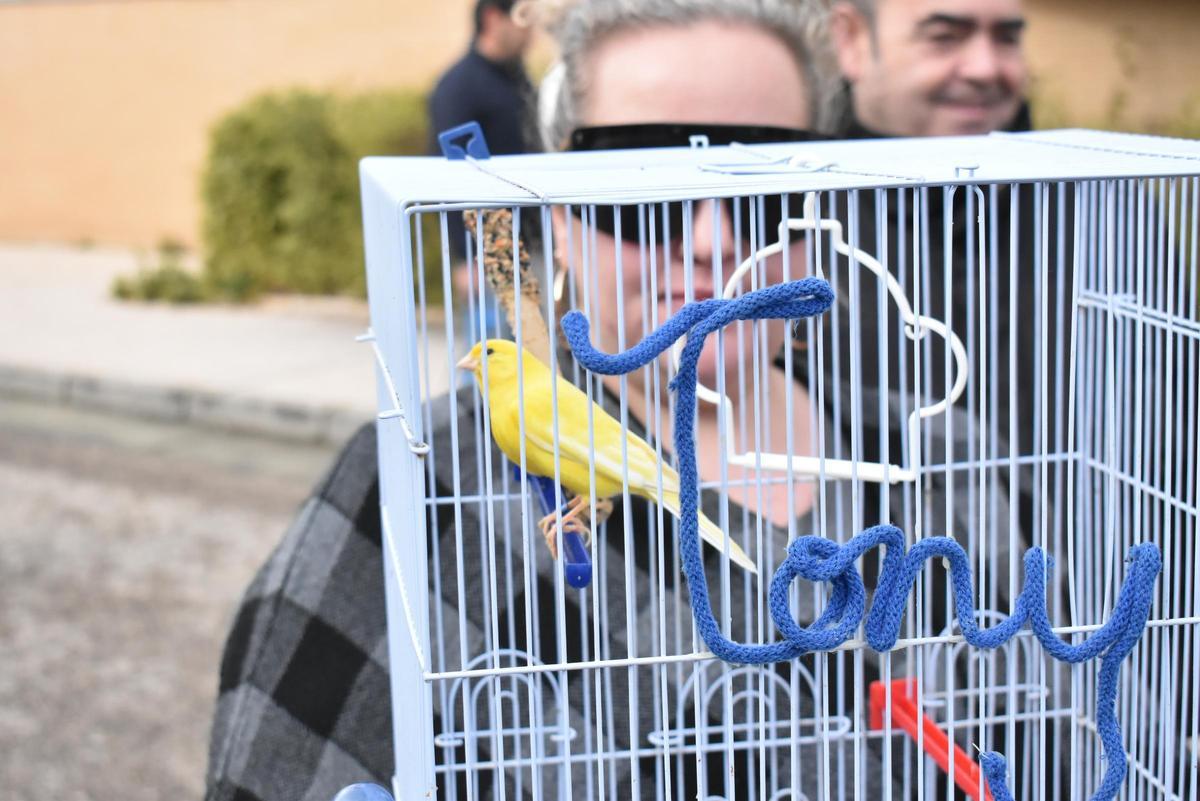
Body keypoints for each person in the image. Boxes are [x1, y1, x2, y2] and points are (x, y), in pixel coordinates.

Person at [204, 2, 993, 799]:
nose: (713, 239)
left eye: (763, 182)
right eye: (638, 176)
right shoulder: (421, 484)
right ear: (560, 211)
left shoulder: (952, 460)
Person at [828, 0, 1030, 138]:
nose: (985, 69)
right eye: (944, 36)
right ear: (852, 41)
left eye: (1007, 39)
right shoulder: (805, 197)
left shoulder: (1055, 193)